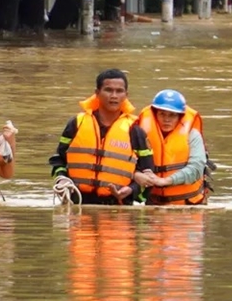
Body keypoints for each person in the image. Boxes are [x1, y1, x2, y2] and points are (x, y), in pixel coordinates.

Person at [49, 69, 154, 205]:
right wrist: (62, 179)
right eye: (108, 90)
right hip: (77, 204)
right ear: (97, 93)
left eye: (119, 91)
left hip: (117, 206)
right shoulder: (76, 124)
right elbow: (58, 160)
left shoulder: (135, 130)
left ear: (126, 95)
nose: (114, 95)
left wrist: (130, 190)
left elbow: (148, 174)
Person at [134, 89, 210, 205]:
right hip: (153, 202)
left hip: (188, 204)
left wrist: (164, 181)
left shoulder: (193, 135)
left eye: (172, 115)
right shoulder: (141, 134)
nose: (166, 119)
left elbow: (196, 169)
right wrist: (136, 175)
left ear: (180, 117)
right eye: (162, 114)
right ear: (155, 114)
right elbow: (127, 163)